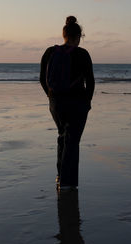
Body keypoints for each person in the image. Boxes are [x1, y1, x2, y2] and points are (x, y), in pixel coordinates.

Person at [40, 16, 95, 190]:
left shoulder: (50, 52)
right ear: (78, 36)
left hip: (56, 103)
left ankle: (60, 176)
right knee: (72, 141)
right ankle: (67, 183)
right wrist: (87, 102)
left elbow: (42, 79)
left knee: (63, 136)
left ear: (64, 35)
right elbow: (90, 82)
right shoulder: (83, 54)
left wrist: (51, 98)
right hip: (77, 103)